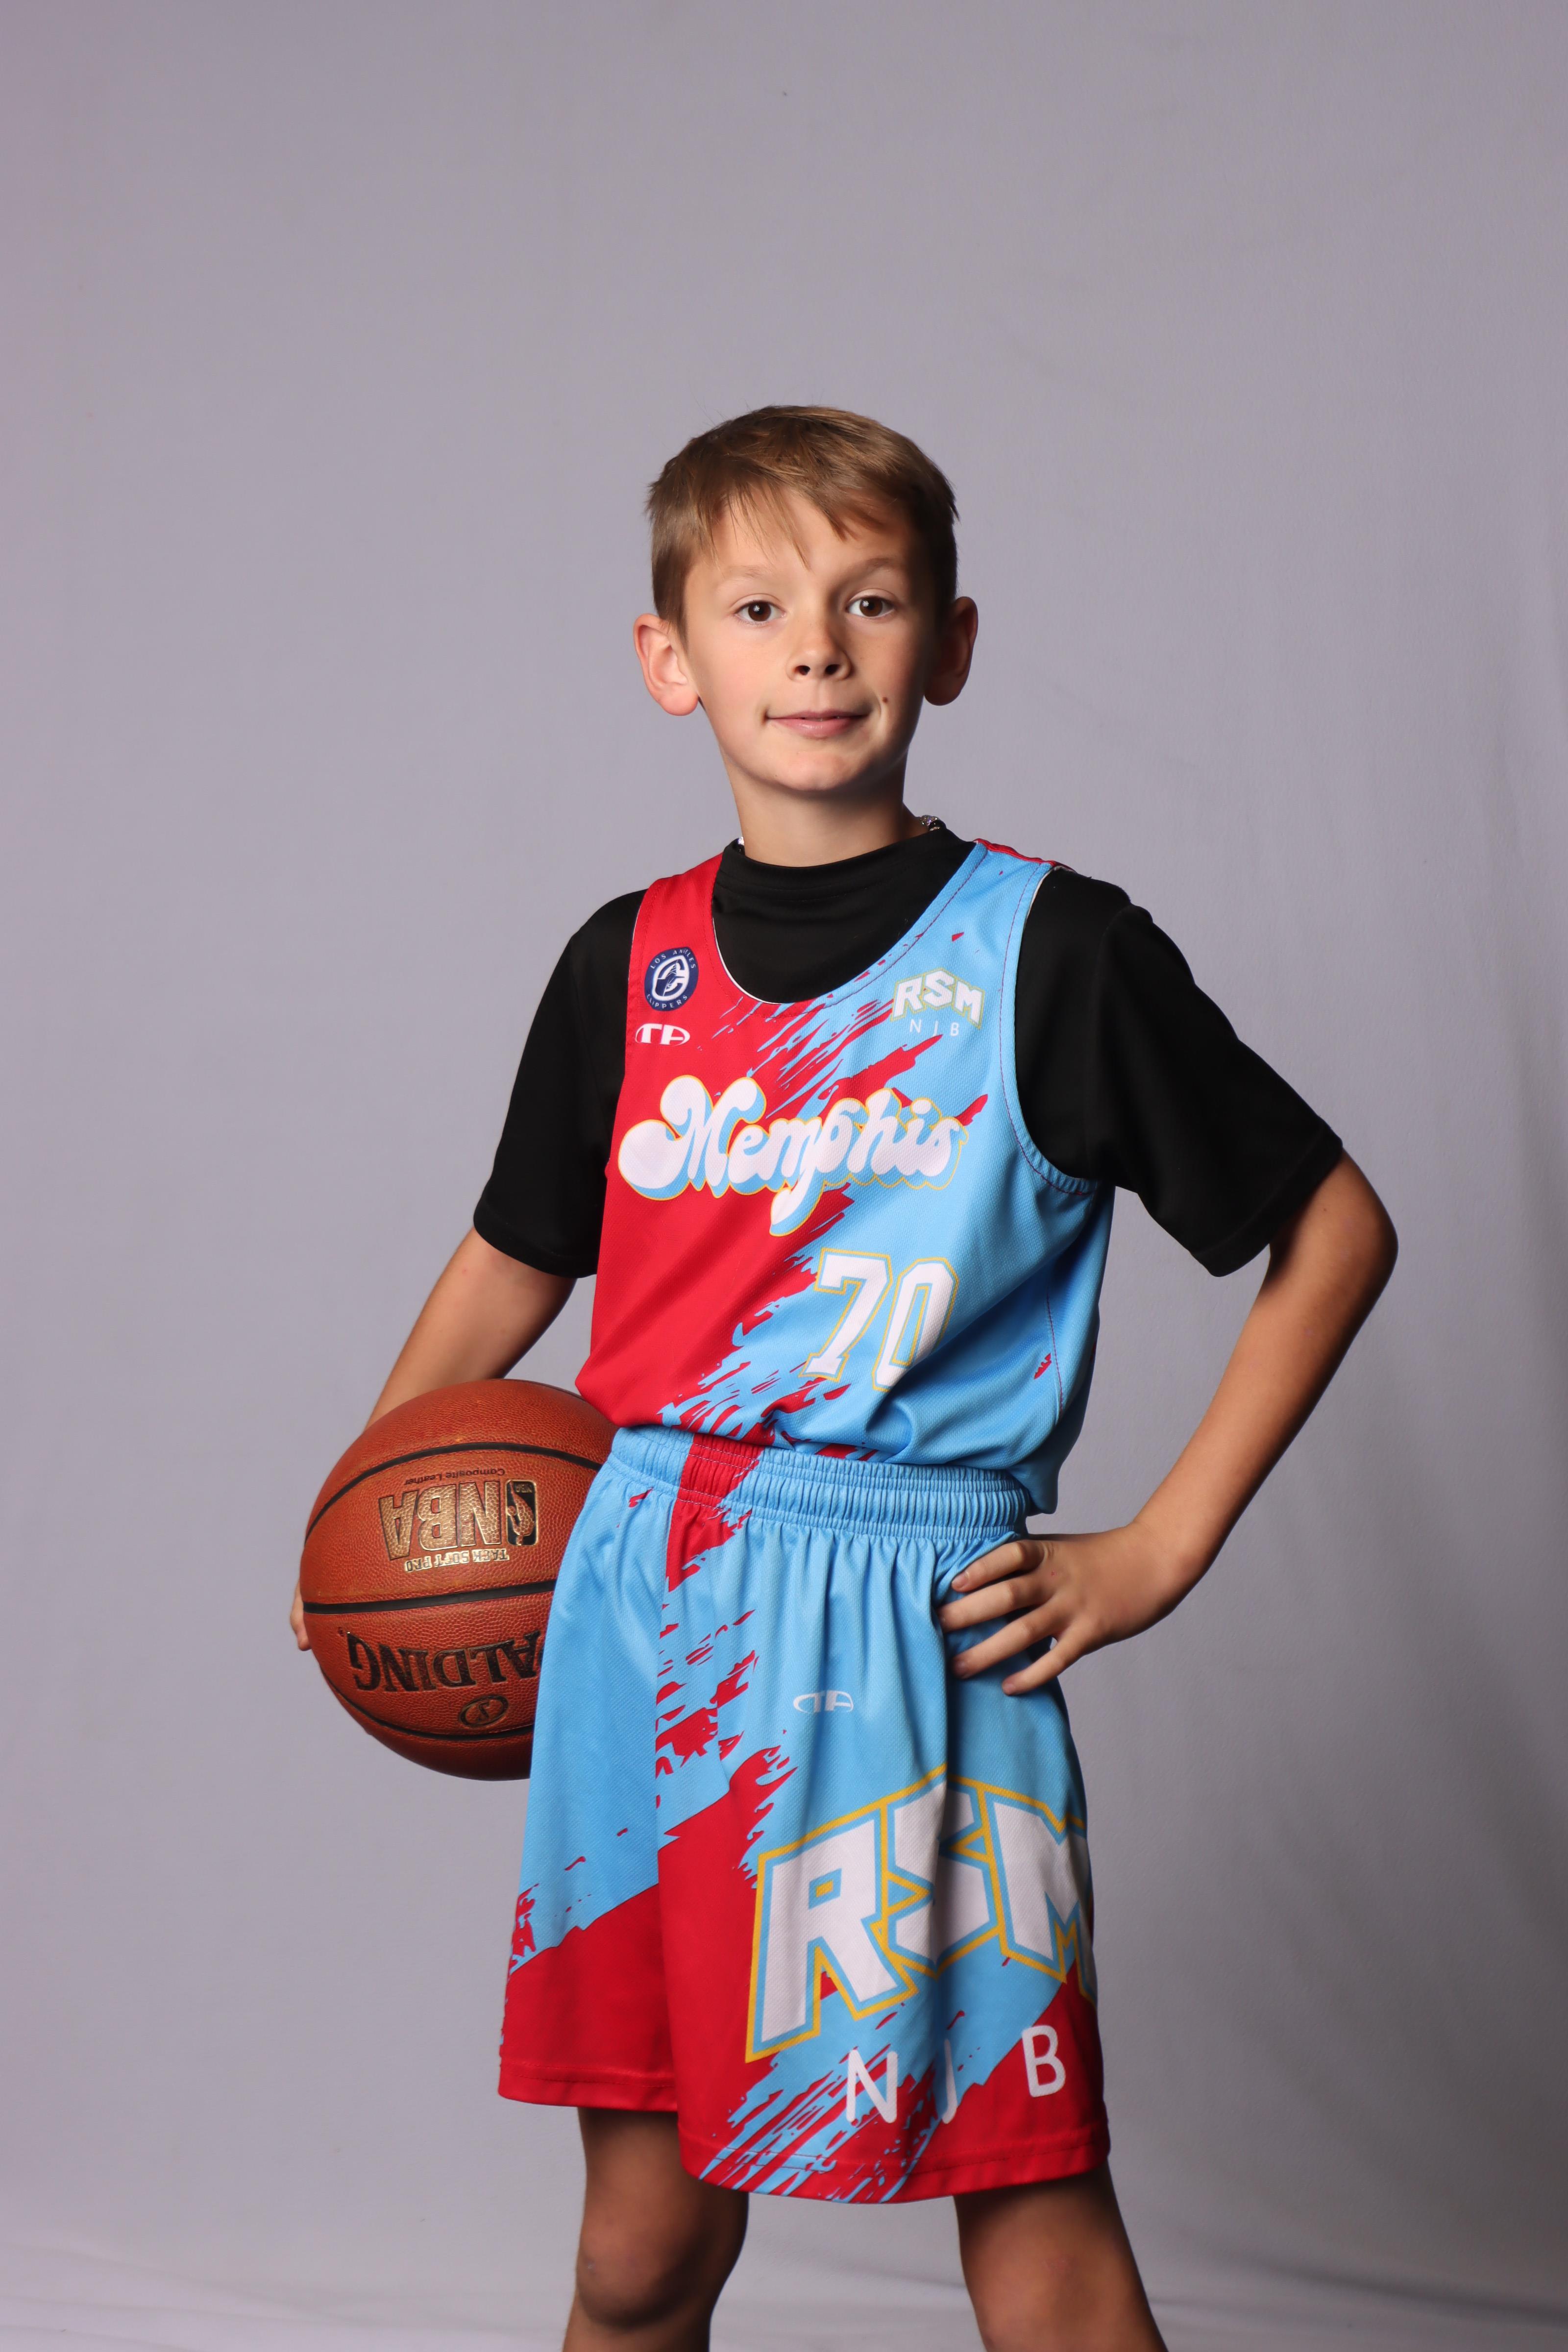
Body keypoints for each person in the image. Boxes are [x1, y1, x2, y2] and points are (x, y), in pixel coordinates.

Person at [292, 406, 1396, 2351]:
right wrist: (354, 1520)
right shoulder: (621, 967)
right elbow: (513, 1262)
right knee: (638, 2249)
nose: (813, 648)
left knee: (1033, 2232)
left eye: (869, 601)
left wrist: (1157, 1548)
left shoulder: (1053, 953)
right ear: (670, 660)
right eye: (756, 608)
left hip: (915, 1622)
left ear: (946, 645)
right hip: (650, 1601)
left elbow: (1332, 1227)